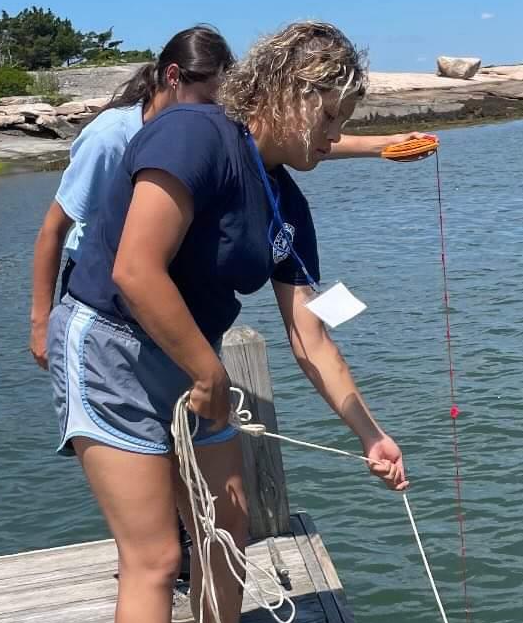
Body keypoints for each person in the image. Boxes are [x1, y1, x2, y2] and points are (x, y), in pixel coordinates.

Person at [46, 21, 407, 623]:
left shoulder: (288, 204)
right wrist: (209, 374)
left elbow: (308, 336)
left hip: (192, 355)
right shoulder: (196, 132)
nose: (341, 136)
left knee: (231, 519)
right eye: (335, 116)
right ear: (294, 94)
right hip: (108, 342)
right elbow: (136, 270)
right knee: (155, 555)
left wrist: (369, 434)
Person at [29, 26, 431, 369]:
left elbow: (291, 141)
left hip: (170, 284)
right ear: (173, 78)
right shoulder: (118, 137)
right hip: (101, 290)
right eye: (210, 102)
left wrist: (382, 145)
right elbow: (54, 229)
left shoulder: (216, 140)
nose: (221, 114)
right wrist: (42, 324)